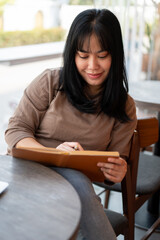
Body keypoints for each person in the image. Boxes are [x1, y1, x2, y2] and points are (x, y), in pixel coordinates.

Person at [5, 8, 137, 240]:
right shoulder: (51, 82)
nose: (92, 66)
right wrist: (53, 154)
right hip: (26, 175)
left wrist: (116, 172)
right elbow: (16, 130)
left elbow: (113, 164)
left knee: (75, 181)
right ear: (72, 54)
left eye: (103, 55)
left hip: (73, 192)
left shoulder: (124, 106)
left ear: (115, 54)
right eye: (83, 56)